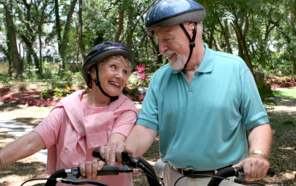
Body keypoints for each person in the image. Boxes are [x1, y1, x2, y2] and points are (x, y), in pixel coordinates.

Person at [99, 0, 273, 185]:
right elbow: (146, 127)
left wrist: (258, 155)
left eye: (167, 39)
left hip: (225, 179)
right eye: (158, 41)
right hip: (174, 177)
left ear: (192, 30)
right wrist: (126, 149)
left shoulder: (234, 68)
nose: (161, 49)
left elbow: (258, 123)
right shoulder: (160, 78)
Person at [0, 41, 138, 186]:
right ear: (93, 71)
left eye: (125, 71)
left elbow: (114, 146)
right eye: (114, 67)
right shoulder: (68, 107)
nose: (120, 75)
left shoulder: (126, 110)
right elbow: (32, 142)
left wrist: (97, 165)